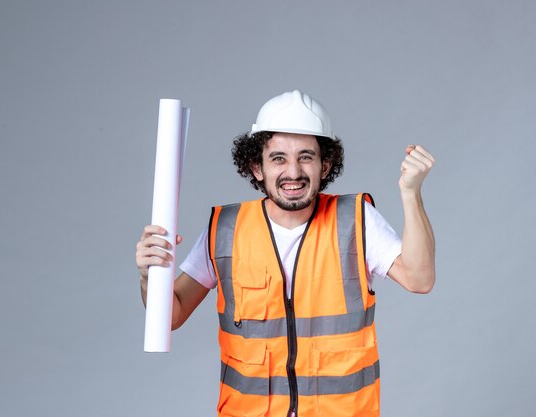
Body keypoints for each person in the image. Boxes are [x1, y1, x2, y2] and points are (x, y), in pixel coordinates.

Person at [135, 90, 436, 417]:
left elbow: (419, 279)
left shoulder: (356, 221)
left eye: (305, 156)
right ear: (257, 167)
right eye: (278, 158)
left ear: (325, 165)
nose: (293, 171)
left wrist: (411, 194)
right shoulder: (225, 230)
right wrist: (150, 274)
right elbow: (170, 317)